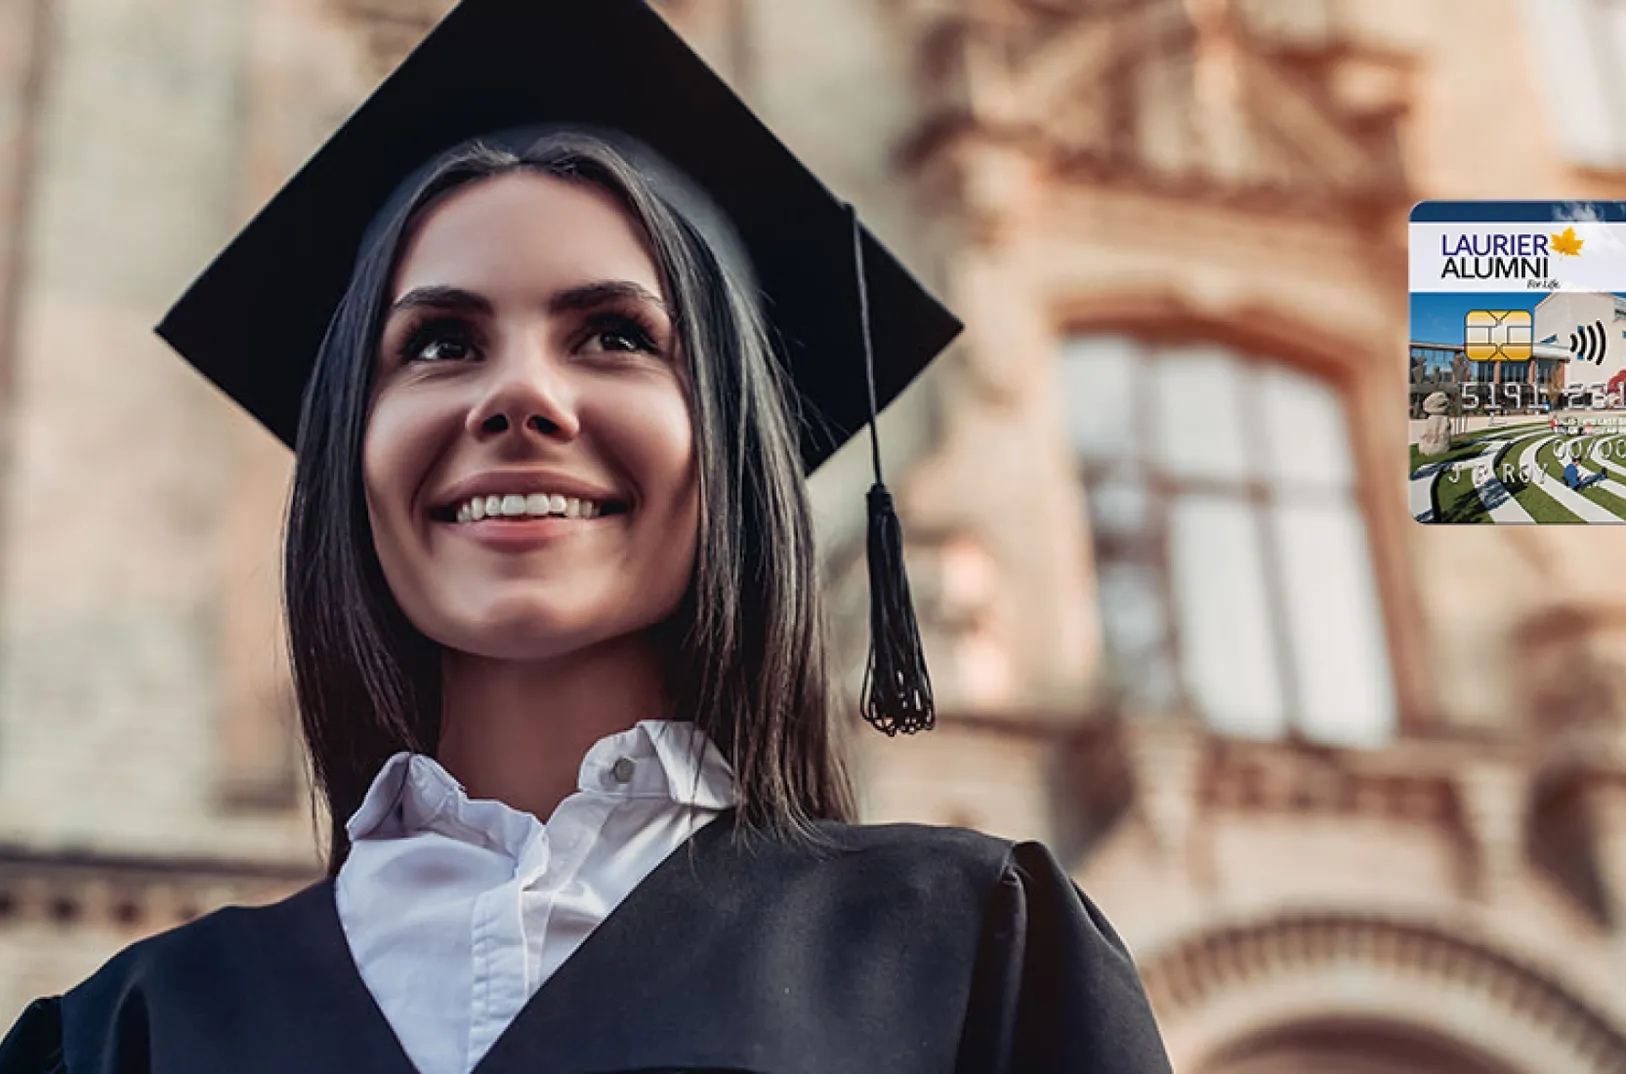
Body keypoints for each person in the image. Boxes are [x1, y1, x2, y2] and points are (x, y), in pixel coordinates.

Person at [0, 1, 1173, 1072]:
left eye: (614, 335)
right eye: (438, 343)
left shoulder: (971, 960)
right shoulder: (123, 1035)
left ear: (731, 447)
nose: (519, 396)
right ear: (349, 456)